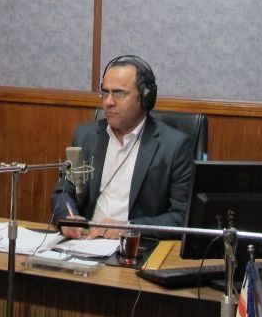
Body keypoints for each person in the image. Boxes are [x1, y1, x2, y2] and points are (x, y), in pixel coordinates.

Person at [51, 56, 193, 239]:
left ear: (145, 97)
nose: (108, 102)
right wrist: (66, 217)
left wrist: (128, 228)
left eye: (119, 93)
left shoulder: (175, 146)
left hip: (135, 246)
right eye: (105, 93)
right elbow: (63, 191)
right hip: (85, 242)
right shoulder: (86, 136)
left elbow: (181, 217)